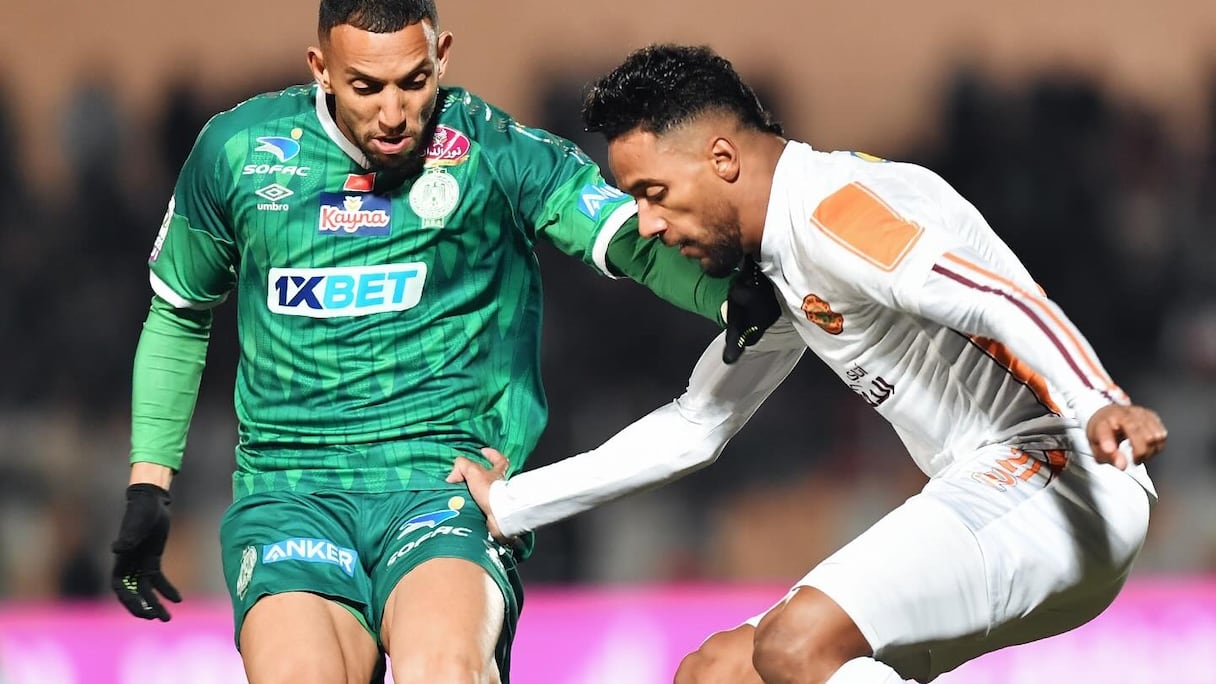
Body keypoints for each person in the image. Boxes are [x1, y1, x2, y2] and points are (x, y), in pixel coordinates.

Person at [447, 44, 1168, 684]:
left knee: (795, 645)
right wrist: (510, 506)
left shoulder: (834, 212)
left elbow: (995, 300)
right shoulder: (778, 260)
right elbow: (697, 425)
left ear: (722, 159)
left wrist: (1098, 400)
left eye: (653, 193)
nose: (647, 224)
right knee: (715, 673)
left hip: (1059, 475)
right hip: (988, 491)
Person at [107, 9, 778, 683]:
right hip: (290, 490)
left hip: (442, 483)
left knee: (444, 670)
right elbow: (179, 314)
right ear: (321, 69)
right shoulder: (238, 152)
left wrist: (725, 297)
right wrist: (149, 486)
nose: (393, 113)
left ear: (442, 56)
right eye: (366, 87)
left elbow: (628, 238)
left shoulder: (494, 151)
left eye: (414, 81)